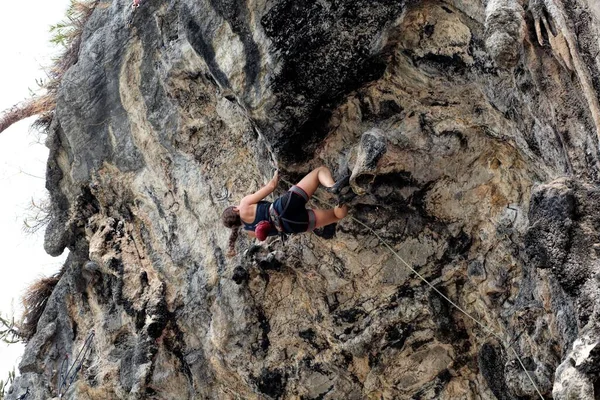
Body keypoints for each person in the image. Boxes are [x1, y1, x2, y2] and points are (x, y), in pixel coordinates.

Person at [222, 167, 352, 256]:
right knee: (319, 172)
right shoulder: (244, 204)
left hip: (292, 225)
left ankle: (342, 201)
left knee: (335, 215)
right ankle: (333, 187)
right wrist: (275, 175)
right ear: (235, 209)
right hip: (283, 206)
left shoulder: (250, 232)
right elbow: (271, 187)